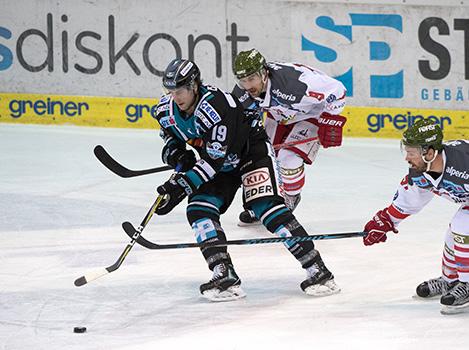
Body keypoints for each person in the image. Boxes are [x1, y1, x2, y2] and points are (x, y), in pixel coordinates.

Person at [154, 58, 340, 301]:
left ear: (194, 85)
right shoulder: (164, 109)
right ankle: (223, 273)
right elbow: (171, 136)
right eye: (171, 91)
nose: (175, 97)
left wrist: (181, 186)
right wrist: (176, 154)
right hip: (219, 165)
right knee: (199, 210)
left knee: (268, 209)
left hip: (250, 154)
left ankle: (318, 270)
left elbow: (213, 162)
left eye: (180, 90)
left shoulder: (217, 106)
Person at [363, 118, 469, 314]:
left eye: (411, 153)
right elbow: (408, 201)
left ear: (429, 152)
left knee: (462, 225)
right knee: (455, 234)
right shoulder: (420, 173)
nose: (407, 158)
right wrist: (385, 221)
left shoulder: (464, 162)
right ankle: (450, 280)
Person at [232, 49, 347, 225]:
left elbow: (337, 90)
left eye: (251, 79)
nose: (248, 86)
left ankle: (290, 198)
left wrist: (330, 120)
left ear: (264, 73)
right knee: (261, 156)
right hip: (278, 114)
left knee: (288, 158)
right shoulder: (242, 92)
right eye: (243, 80)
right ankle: (263, 203)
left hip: (310, 114)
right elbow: (239, 120)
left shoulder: (295, 84)